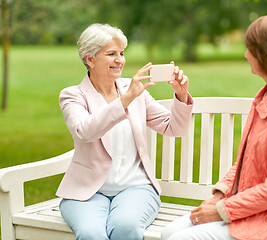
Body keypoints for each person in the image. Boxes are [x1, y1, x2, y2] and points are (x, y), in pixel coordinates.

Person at [162, 13, 267, 240]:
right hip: (255, 210)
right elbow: (246, 161)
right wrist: (219, 196)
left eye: (250, 49)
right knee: (168, 232)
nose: (246, 54)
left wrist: (220, 211)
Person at [57, 23, 193, 240]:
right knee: (91, 233)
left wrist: (181, 95)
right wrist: (127, 98)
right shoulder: (73, 96)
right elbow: (85, 131)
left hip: (136, 189)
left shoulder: (134, 91)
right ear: (89, 59)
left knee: (125, 228)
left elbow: (173, 128)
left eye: (121, 53)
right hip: (87, 193)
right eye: (111, 54)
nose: (120, 60)